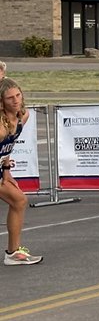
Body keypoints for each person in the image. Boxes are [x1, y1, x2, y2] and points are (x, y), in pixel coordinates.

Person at [0, 78, 41, 265]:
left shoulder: (23, 116)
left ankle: (13, 253)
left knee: (19, 200)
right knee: (18, 200)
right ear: (2, 102)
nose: (16, 100)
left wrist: (6, 170)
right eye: (10, 98)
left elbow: (8, 147)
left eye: (18, 95)